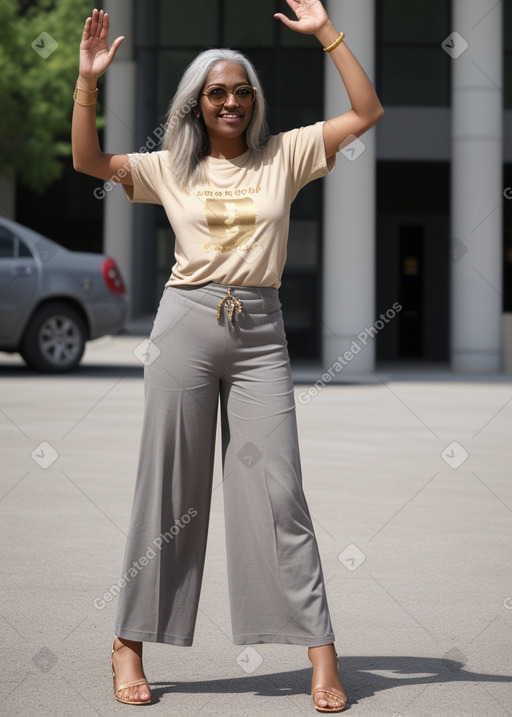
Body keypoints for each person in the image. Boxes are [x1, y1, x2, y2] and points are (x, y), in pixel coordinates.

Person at [72, 2, 383, 712]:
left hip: (260, 333)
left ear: (254, 100)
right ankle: (128, 640)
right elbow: (87, 160)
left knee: (280, 491)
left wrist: (328, 34)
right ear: (196, 103)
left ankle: (321, 649)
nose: (232, 101)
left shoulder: (288, 153)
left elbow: (367, 112)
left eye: (242, 90)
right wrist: (89, 81)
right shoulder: (166, 166)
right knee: (168, 489)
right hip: (184, 325)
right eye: (218, 92)